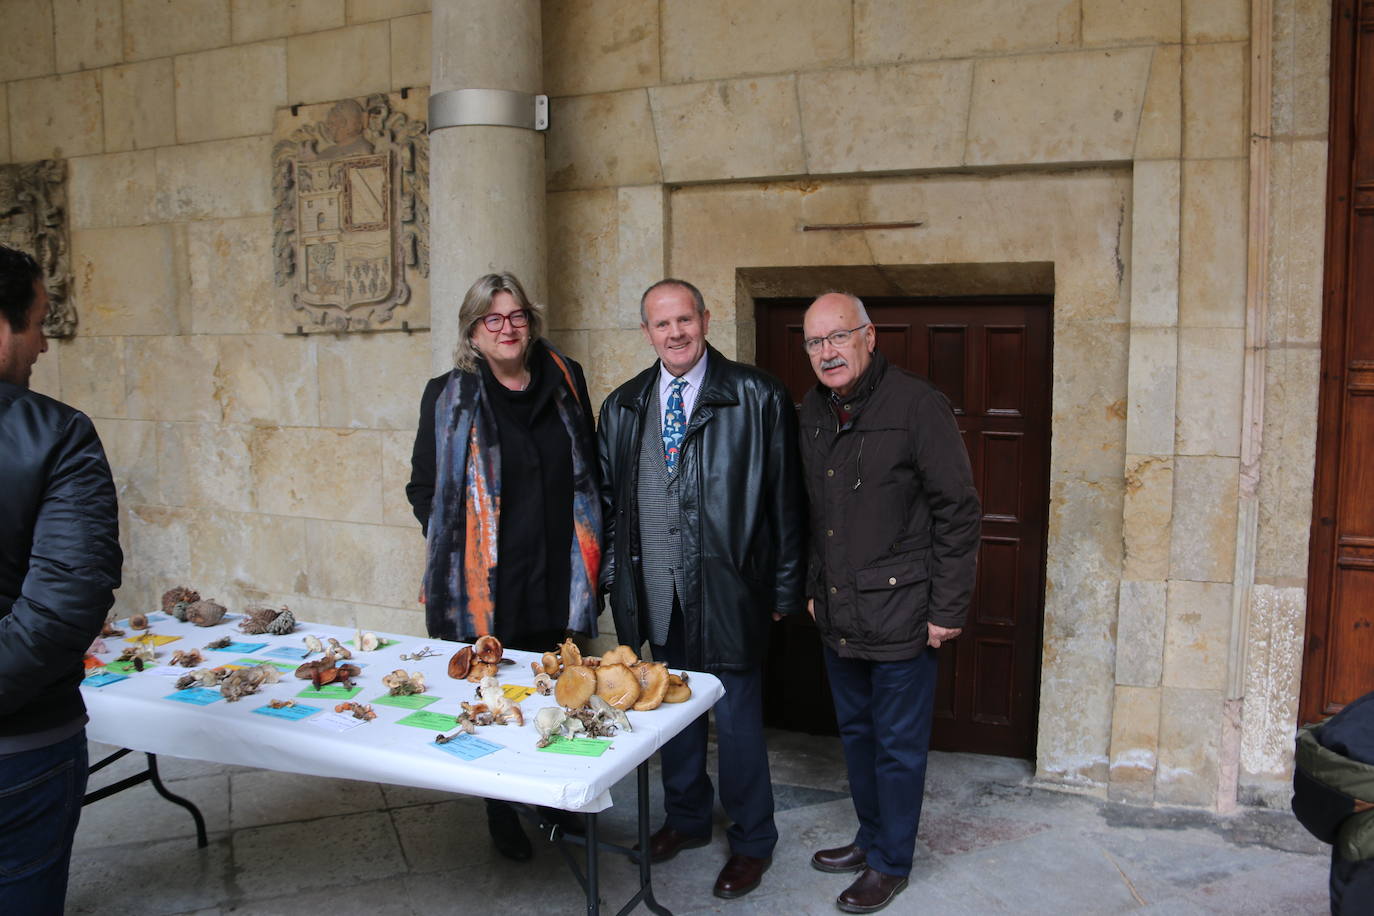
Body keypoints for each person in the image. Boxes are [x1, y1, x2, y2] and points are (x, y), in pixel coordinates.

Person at [598, 278, 805, 899]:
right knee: (667, 714)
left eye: (685, 319)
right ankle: (686, 820)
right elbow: (609, 506)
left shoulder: (757, 395)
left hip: (729, 588)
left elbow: (786, 503)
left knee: (737, 724)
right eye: (662, 325)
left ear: (706, 319)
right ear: (647, 333)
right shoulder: (624, 405)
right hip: (651, 593)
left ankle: (752, 841)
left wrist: (784, 588)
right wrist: (613, 582)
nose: (676, 333)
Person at [407, 271, 601, 860]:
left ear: (530, 321)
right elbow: (424, 488)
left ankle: (550, 800)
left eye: (516, 315)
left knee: (552, 690)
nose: (507, 328)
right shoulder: (448, 394)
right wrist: (462, 551)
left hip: (558, 577)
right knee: (492, 696)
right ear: (473, 331)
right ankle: (499, 810)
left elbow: (588, 471)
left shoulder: (566, 379)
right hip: (485, 588)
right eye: (492, 319)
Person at [798, 292, 981, 914]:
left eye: (838, 337)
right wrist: (811, 592)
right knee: (856, 735)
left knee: (897, 747)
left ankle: (891, 862)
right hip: (840, 610)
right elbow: (814, 514)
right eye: (815, 343)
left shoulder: (917, 405)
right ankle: (871, 837)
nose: (827, 352)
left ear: (869, 337)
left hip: (903, 612)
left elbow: (958, 510)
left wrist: (948, 611)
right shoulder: (814, 411)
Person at [0, 245, 123, 913]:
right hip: (18, 748)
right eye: (39, 321)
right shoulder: (57, 434)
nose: (45, 342)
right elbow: (60, 610)